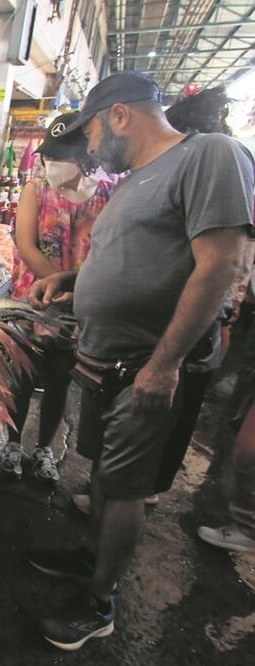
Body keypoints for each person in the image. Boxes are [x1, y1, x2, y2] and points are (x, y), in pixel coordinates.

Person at [25, 72, 254, 651]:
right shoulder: (137, 179)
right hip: (107, 359)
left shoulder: (210, 156)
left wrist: (165, 363)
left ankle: (98, 600)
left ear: (121, 115)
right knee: (102, 472)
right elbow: (137, 260)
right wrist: (76, 282)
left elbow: (218, 266)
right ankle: (89, 555)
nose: (90, 148)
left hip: (145, 365)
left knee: (125, 485)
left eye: (93, 132)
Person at [0, 112, 117, 484]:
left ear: (86, 156)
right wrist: (58, 284)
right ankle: (12, 445)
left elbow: (111, 250)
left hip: (80, 302)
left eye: (61, 157)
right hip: (34, 297)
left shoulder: (108, 192)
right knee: (22, 374)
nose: (52, 164)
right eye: (49, 157)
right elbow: (26, 244)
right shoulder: (37, 189)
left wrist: (76, 291)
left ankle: (44, 449)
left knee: (59, 379)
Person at [164, 86, 255, 553]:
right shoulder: (210, 165)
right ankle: (140, 488)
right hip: (202, 319)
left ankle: (148, 489)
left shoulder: (221, 162)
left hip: (201, 322)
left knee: (180, 403)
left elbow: (222, 264)